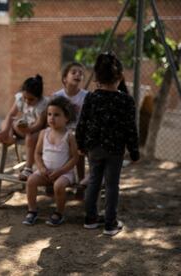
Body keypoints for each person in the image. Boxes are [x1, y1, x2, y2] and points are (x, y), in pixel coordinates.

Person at [76, 52, 140, 236]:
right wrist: (134, 152)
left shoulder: (91, 98)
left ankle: (90, 219)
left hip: (93, 148)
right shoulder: (126, 100)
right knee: (112, 185)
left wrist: (80, 143)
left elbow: (82, 123)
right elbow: (130, 129)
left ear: (97, 78)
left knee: (94, 180)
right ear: (119, 77)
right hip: (115, 150)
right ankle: (110, 224)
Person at [23, 96, 79, 226]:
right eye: (49, 114)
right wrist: (41, 168)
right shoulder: (44, 133)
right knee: (31, 180)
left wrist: (60, 171)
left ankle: (59, 213)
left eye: (56, 115)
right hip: (45, 172)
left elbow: (74, 158)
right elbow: (37, 153)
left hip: (64, 174)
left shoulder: (69, 136)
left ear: (67, 118)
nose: (51, 118)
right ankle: (32, 210)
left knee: (58, 186)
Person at [0, 74, 48, 181]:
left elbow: (40, 123)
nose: (27, 101)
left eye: (31, 99)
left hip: (37, 131)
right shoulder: (20, 98)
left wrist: (29, 130)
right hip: (24, 127)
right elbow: (11, 115)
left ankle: (28, 168)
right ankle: (9, 137)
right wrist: (5, 130)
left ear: (38, 97)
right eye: (25, 98)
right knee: (5, 122)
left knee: (29, 137)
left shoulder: (43, 104)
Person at [52, 62, 88, 198]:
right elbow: (52, 117)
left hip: (79, 132)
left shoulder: (86, 96)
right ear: (64, 78)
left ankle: (81, 185)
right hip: (60, 131)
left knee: (78, 149)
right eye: (74, 72)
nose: (78, 74)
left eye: (80, 73)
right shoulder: (57, 96)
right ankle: (51, 180)